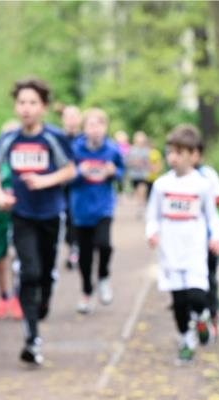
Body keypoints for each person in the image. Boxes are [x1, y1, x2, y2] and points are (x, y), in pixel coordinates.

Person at [0, 78, 76, 367]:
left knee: (45, 273)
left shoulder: (53, 137)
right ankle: (31, 338)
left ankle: (44, 300)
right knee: (29, 271)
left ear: (44, 107)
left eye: (32, 103)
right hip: (22, 215)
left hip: (51, 215)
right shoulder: (8, 139)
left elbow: (69, 170)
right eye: (21, 103)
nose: (26, 108)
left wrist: (44, 180)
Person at [145, 124, 219, 364]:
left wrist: (218, 237)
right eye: (170, 152)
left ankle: (202, 316)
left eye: (180, 152)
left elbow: (212, 216)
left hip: (194, 251)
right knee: (178, 301)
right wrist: (152, 232)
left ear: (193, 155)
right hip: (170, 252)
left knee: (197, 295)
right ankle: (185, 340)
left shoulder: (202, 185)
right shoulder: (161, 185)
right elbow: (153, 216)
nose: (173, 157)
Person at [69, 108, 123, 314]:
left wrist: (113, 172)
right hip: (81, 209)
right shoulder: (75, 149)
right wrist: (78, 173)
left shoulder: (112, 150)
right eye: (90, 125)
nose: (95, 129)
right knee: (84, 256)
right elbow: (65, 176)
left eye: (99, 125)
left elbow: (121, 172)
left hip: (103, 207)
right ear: (84, 128)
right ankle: (86, 292)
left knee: (105, 245)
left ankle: (103, 277)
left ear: (105, 127)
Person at [0, 119, 23, 320]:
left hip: (21, 216)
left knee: (19, 257)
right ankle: (3, 297)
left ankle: (18, 298)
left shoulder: (24, 160)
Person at [194, 141, 219, 340]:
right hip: (186, 241)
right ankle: (197, 318)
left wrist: (203, 201)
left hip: (208, 237)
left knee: (210, 278)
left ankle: (214, 315)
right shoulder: (172, 179)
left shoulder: (208, 174)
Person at [61, 105, 83, 271]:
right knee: (68, 220)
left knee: (78, 219)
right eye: (68, 116)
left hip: (82, 187)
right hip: (62, 187)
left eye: (74, 116)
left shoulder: (85, 139)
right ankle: (72, 249)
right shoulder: (58, 138)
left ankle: (78, 249)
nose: (71, 120)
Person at [125, 130, 152, 204]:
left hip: (144, 175)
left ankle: (142, 205)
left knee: (142, 189)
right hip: (134, 174)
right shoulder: (131, 150)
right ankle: (139, 205)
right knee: (136, 192)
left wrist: (144, 163)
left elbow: (150, 162)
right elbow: (126, 161)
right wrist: (134, 162)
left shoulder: (147, 150)